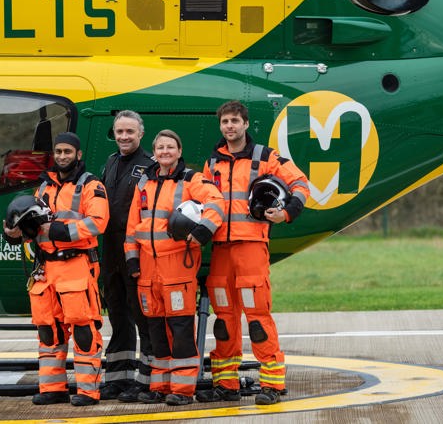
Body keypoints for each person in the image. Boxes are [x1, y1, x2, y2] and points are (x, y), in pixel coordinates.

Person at [196, 100, 310, 406]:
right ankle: (226, 383)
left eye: (235, 121)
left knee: (257, 318)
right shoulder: (212, 163)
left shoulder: (266, 157)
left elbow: (300, 182)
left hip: (251, 248)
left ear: (246, 124)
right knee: (224, 319)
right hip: (220, 249)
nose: (230, 127)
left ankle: (272, 384)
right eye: (225, 122)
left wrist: (287, 212)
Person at [3, 131, 109, 407]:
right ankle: (53, 388)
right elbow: (35, 228)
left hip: (76, 264)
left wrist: (59, 230)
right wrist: (16, 233)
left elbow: (98, 223)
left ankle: (87, 391)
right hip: (45, 268)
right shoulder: (43, 188)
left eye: (68, 152)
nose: (62, 156)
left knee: (84, 331)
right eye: (59, 152)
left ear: (78, 155)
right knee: (49, 330)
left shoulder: (91, 185)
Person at [124, 129, 224, 406]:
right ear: (154, 152)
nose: (165, 152)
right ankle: (160, 385)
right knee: (156, 331)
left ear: (179, 151)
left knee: (180, 330)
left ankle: (182, 390)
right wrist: (132, 259)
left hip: (177, 267)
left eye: (170, 147)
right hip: (146, 269)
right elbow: (133, 226)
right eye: (160, 147)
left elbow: (217, 202)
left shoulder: (191, 179)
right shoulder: (145, 182)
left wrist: (204, 230)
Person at [99, 111, 156, 402]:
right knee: (118, 316)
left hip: (136, 252)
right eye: (119, 131)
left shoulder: (151, 167)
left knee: (143, 317)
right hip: (109, 252)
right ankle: (118, 379)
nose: (124, 137)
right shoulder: (110, 162)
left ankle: (146, 380)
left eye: (129, 132)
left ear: (140, 134)